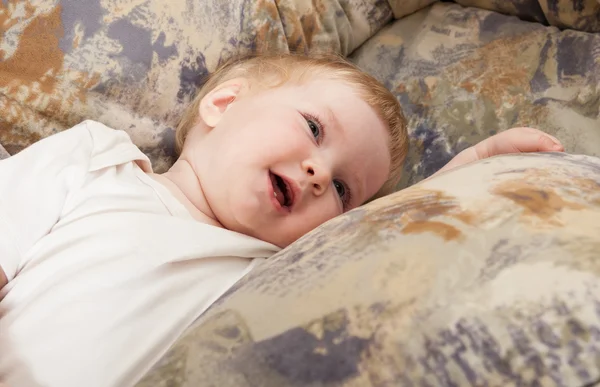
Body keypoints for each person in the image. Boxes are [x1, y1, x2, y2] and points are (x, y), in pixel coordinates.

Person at [0, 53, 563, 387]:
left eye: (343, 190)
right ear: (223, 104)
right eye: (315, 129)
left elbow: (386, 241)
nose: (320, 173)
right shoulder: (101, 161)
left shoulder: (274, 266)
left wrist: (462, 175)